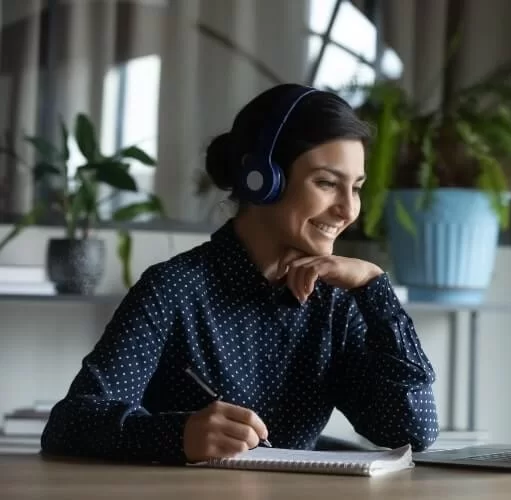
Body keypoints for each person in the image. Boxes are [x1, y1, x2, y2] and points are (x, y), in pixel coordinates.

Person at [40, 83, 439, 464]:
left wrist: (374, 286)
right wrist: (179, 436)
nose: (348, 210)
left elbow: (414, 429)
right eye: (327, 183)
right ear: (262, 179)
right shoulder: (173, 289)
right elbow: (70, 425)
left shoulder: (336, 303)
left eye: (356, 188)